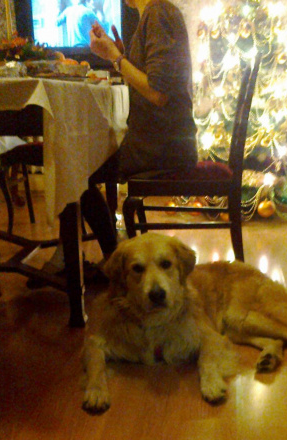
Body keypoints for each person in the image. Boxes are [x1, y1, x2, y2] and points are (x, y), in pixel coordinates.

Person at [79, 0, 198, 262]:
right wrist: (120, 53)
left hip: (160, 147)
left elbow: (157, 93)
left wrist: (116, 57)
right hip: (161, 143)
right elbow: (156, 80)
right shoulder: (155, 14)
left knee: (77, 172)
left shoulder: (157, 13)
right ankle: (114, 254)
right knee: (83, 167)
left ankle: (113, 260)